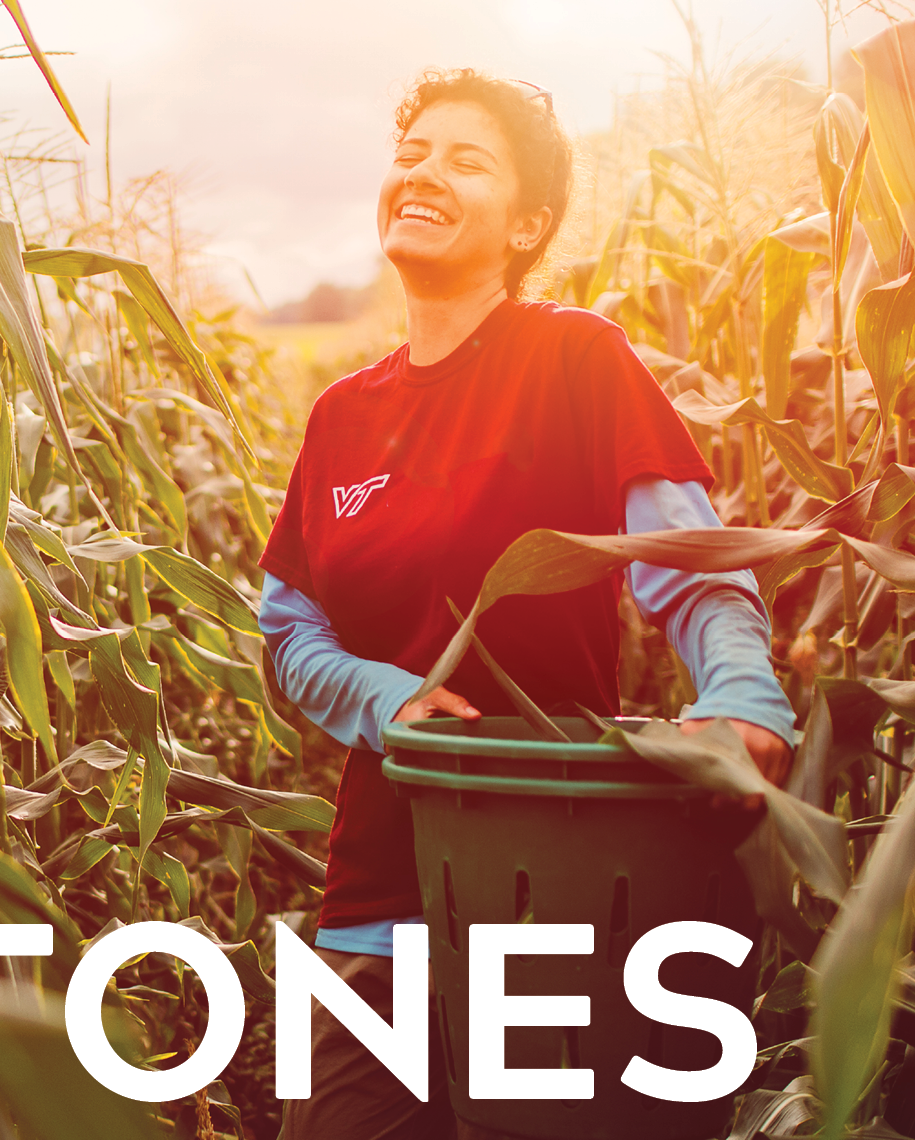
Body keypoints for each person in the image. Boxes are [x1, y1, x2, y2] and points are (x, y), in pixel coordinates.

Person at [256, 68, 797, 1140]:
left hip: (545, 881)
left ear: (528, 222)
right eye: (412, 152)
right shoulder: (340, 418)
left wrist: (741, 694)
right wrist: (384, 696)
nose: (421, 172)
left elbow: (688, 558)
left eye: (466, 160)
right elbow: (287, 634)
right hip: (376, 896)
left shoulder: (572, 357)